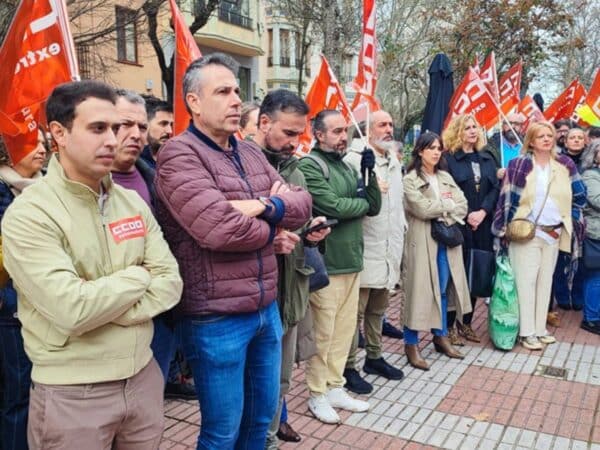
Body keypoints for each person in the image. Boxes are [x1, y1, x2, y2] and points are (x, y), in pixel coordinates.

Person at [1, 80, 183, 449]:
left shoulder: (131, 203)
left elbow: (170, 284)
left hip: (143, 378)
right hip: (72, 394)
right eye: (98, 128)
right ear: (59, 133)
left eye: (116, 128)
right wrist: (138, 276)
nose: (114, 140)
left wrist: (104, 303)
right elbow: (73, 309)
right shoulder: (30, 214)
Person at [154, 53, 312, 449]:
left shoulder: (250, 152)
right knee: (223, 430)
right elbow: (218, 229)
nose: (236, 100)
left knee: (259, 421)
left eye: (237, 91)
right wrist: (272, 228)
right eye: (222, 91)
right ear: (193, 101)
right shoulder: (179, 154)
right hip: (215, 317)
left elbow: (303, 205)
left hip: (264, 309)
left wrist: (264, 206)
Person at [251, 89, 330, 448]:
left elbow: (296, 220)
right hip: (252, 297)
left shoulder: (295, 167)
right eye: (288, 133)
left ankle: (269, 439)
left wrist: (310, 234)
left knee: (279, 383)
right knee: (250, 393)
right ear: (263, 122)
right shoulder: (242, 164)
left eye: (300, 135)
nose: (294, 143)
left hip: (290, 291)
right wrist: (271, 238)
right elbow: (223, 224)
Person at [110, 90, 195, 400]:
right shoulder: (87, 188)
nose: (134, 135)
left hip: (159, 315)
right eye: (122, 125)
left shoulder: (157, 180)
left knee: (147, 407)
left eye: (141, 127)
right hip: (111, 323)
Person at [298, 109, 381, 424]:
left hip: (352, 262)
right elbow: (331, 206)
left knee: (345, 332)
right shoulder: (311, 165)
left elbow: (372, 206)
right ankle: (316, 393)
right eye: (335, 131)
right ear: (319, 134)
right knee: (324, 334)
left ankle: (335, 386)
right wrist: (358, 205)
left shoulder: (347, 165)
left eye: (344, 130)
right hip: (328, 264)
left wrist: (369, 176)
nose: (343, 137)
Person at [492, 121, 586, 350]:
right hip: (525, 234)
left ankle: (539, 328)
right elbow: (505, 199)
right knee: (526, 283)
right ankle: (526, 332)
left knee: (545, 284)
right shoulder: (518, 164)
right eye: (541, 136)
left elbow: (580, 196)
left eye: (549, 135)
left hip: (554, 233)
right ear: (531, 141)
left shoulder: (565, 164)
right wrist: (504, 229)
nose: (546, 139)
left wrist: (570, 220)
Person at [342, 110, 406, 395]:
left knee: (378, 310)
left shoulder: (393, 160)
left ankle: (375, 357)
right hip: (366, 248)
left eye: (391, 124)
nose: (389, 129)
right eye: (382, 124)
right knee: (355, 313)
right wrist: (365, 186)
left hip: (389, 248)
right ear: (367, 130)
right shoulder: (354, 159)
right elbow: (350, 199)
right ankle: (348, 366)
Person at [402, 132, 471, 371]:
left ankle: (440, 336)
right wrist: (447, 207)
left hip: (447, 241)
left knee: (442, 290)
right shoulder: (410, 179)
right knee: (418, 291)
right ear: (420, 150)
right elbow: (420, 208)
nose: (435, 152)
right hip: (422, 241)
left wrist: (443, 209)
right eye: (430, 148)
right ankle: (411, 343)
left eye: (438, 148)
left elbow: (463, 204)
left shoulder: (445, 176)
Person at [0, 131, 46, 450]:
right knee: (18, 396)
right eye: (33, 142)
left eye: (44, 142)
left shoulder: (50, 187)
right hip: (12, 307)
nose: (42, 149)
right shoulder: (3, 190)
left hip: (46, 304)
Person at [442, 114, 499, 344]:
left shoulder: (486, 158)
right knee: (457, 276)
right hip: (459, 225)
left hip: (482, 224)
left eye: (475, 127)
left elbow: (494, 188)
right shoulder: (448, 160)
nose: (473, 131)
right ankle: (449, 326)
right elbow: (446, 190)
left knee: (477, 272)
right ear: (458, 131)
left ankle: (465, 323)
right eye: (467, 128)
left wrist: (483, 211)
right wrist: (466, 214)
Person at [552, 127, 587, 311]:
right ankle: (562, 295)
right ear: (565, 142)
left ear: (585, 141)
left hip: (583, 218)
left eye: (579, 137)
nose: (576, 140)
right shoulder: (558, 160)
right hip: (562, 215)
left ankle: (578, 295)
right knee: (561, 257)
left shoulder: (589, 162)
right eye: (572, 137)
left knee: (581, 260)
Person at [580, 141, 600, 335]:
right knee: (595, 277)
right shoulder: (590, 175)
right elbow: (596, 200)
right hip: (596, 233)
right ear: (594, 155)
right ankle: (591, 319)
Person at [140, 96, 173, 169]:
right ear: (145, 124)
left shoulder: (174, 156)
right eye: (163, 124)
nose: (170, 131)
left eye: (171, 125)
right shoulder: (135, 161)